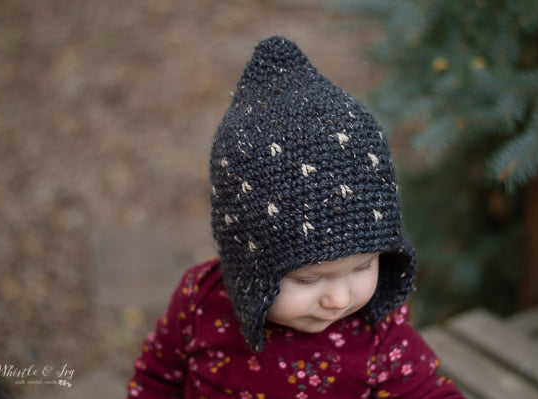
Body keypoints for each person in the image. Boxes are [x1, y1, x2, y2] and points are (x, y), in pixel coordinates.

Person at [127, 36, 464, 398]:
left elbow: (428, 392)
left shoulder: (377, 329)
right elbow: (157, 378)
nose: (338, 299)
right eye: (308, 279)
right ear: (249, 267)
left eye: (362, 266)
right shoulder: (200, 302)